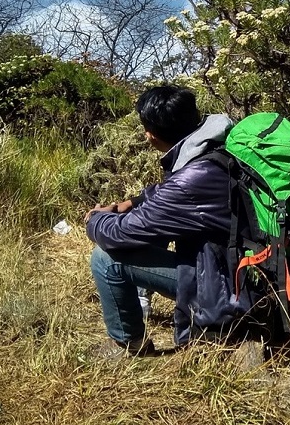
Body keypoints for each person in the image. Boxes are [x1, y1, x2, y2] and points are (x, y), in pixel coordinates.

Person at [84, 85, 246, 358]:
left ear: (151, 134)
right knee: (153, 230)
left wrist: (96, 220)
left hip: (230, 288)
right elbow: (173, 194)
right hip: (253, 269)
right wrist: (132, 203)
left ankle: (128, 344)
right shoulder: (221, 145)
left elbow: (120, 234)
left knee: (106, 259)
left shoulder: (191, 180)